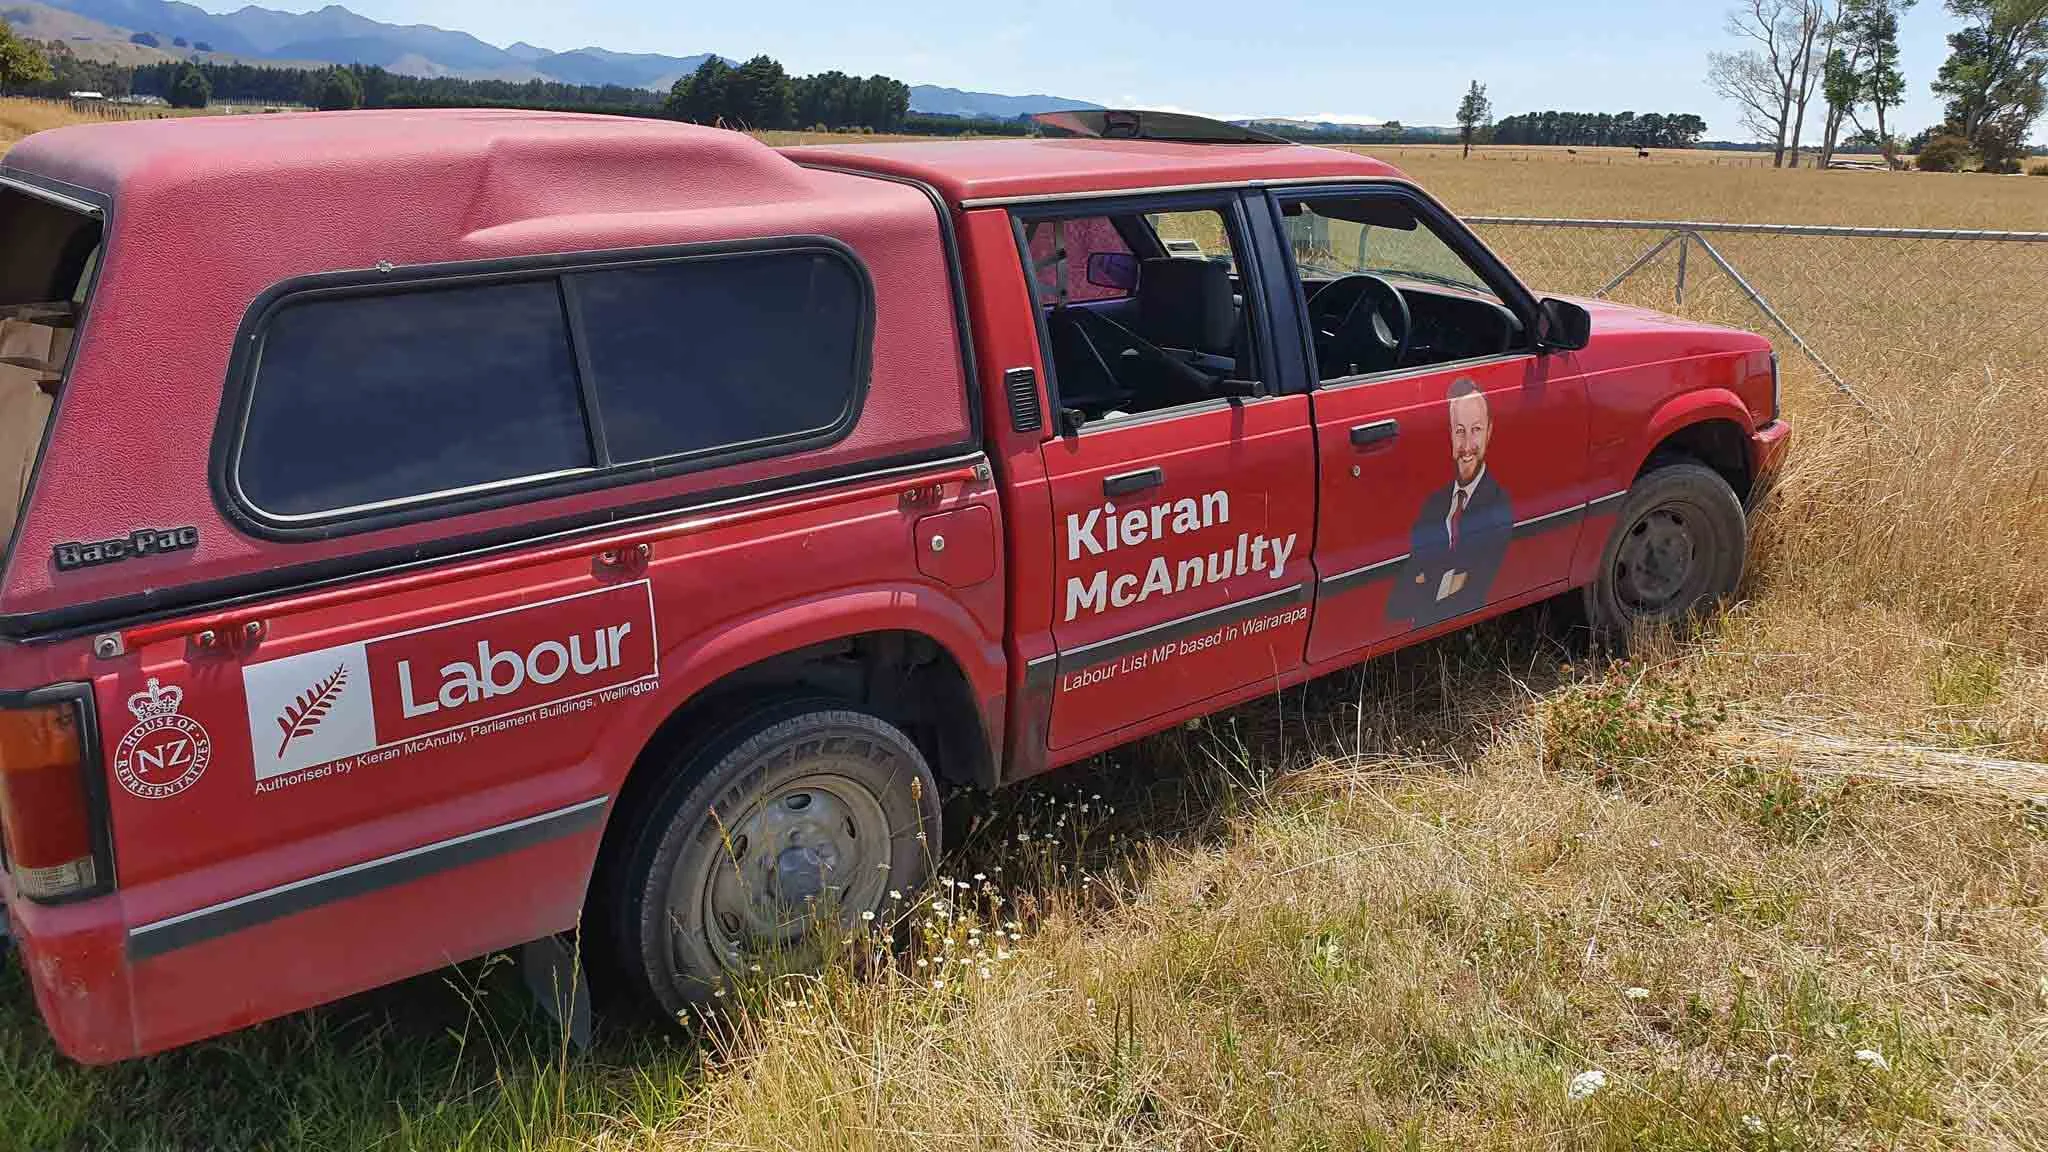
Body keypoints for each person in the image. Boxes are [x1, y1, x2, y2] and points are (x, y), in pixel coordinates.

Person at [1389, 378, 1514, 629]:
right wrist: (1450, 578)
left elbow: (1477, 589)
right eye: (1459, 430)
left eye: (1476, 430)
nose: (1467, 446)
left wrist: (1426, 578)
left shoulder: (1499, 504)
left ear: (1490, 431)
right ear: (1450, 435)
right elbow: (1397, 602)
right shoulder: (1433, 504)